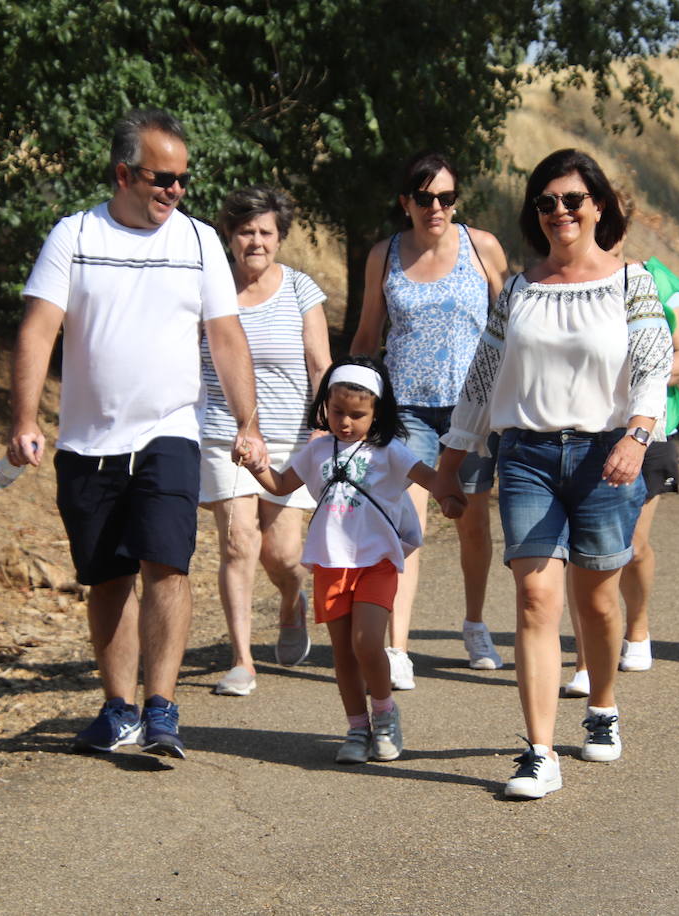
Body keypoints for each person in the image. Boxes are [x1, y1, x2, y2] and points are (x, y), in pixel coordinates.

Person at [8, 108, 262, 756]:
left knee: (166, 563)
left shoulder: (200, 241)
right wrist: (23, 419)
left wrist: (247, 423)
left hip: (171, 430)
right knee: (108, 577)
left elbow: (226, 336)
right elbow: (39, 329)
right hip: (89, 442)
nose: (175, 191)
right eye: (162, 178)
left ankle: (162, 708)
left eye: (183, 180)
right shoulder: (74, 236)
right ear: (123, 173)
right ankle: (118, 708)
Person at [431, 149, 673, 799]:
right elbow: (482, 381)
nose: (560, 212)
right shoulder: (520, 290)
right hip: (528, 458)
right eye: (546, 203)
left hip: (605, 458)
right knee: (537, 599)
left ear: (598, 207)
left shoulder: (631, 282)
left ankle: (601, 706)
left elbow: (654, 365)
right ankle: (538, 751)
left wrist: (638, 435)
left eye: (572, 200)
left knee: (596, 601)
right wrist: (449, 466)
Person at [350, 152, 510, 685]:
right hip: (408, 411)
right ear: (406, 203)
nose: (436, 207)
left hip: (471, 412)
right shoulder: (385, 255)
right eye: (424, 198)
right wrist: (344, 398)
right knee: (407, 526)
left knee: (471, 525)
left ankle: (474, 623)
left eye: (445, 197)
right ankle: (399, 649)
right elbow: (369, 334)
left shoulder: (481, 247)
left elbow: (512, 327)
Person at [243, 356, 438, 764]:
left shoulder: (390, 450)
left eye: (357, 414)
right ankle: (356, 728)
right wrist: (256, 464)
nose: (345, 422)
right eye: (337, 412)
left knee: (368, 643)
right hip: (332, 564)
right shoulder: (317, 450)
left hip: (377, 562)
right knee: (344, 654)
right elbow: (280, 484)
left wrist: (453, 496)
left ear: (377, 413)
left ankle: (384, 715)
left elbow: (429, 477)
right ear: (325, 407)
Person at [201, 186, 332, 697]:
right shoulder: (210, 291)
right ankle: (241, 660)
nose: (255, 242)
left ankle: (292, 595)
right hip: (224, 434)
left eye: (265, 233)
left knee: (281, 554)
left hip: (290, 438)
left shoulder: (300, 289)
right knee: (238, 544)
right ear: (229, 236)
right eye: (245, 231)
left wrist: (323, 425)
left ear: (279, 238)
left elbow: (320, 364)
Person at [562, 256, 679, 697]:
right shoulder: (565, 280)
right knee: (582, 553)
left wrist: (634, 380)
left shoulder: (654, 280)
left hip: (650, 429)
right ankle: (585, 661)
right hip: (587, 430)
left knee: (633, 546)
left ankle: (637, 628)